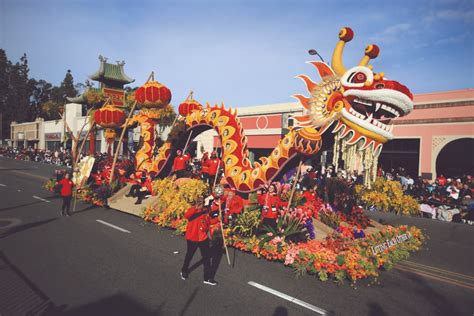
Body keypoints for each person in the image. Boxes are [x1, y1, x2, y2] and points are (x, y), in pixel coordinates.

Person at [180, 195, 219, 285]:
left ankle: (207, 278)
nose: (200, 203)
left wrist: (218, 220)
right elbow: (186, 216)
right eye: (199, 201)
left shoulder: (205, 212)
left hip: (203, 238)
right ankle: (184, 270)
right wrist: (195, 208)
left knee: (206, 258)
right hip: (192, 238)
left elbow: (209, 222)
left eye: (201, 201)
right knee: (189, 256)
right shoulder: (192, 210)